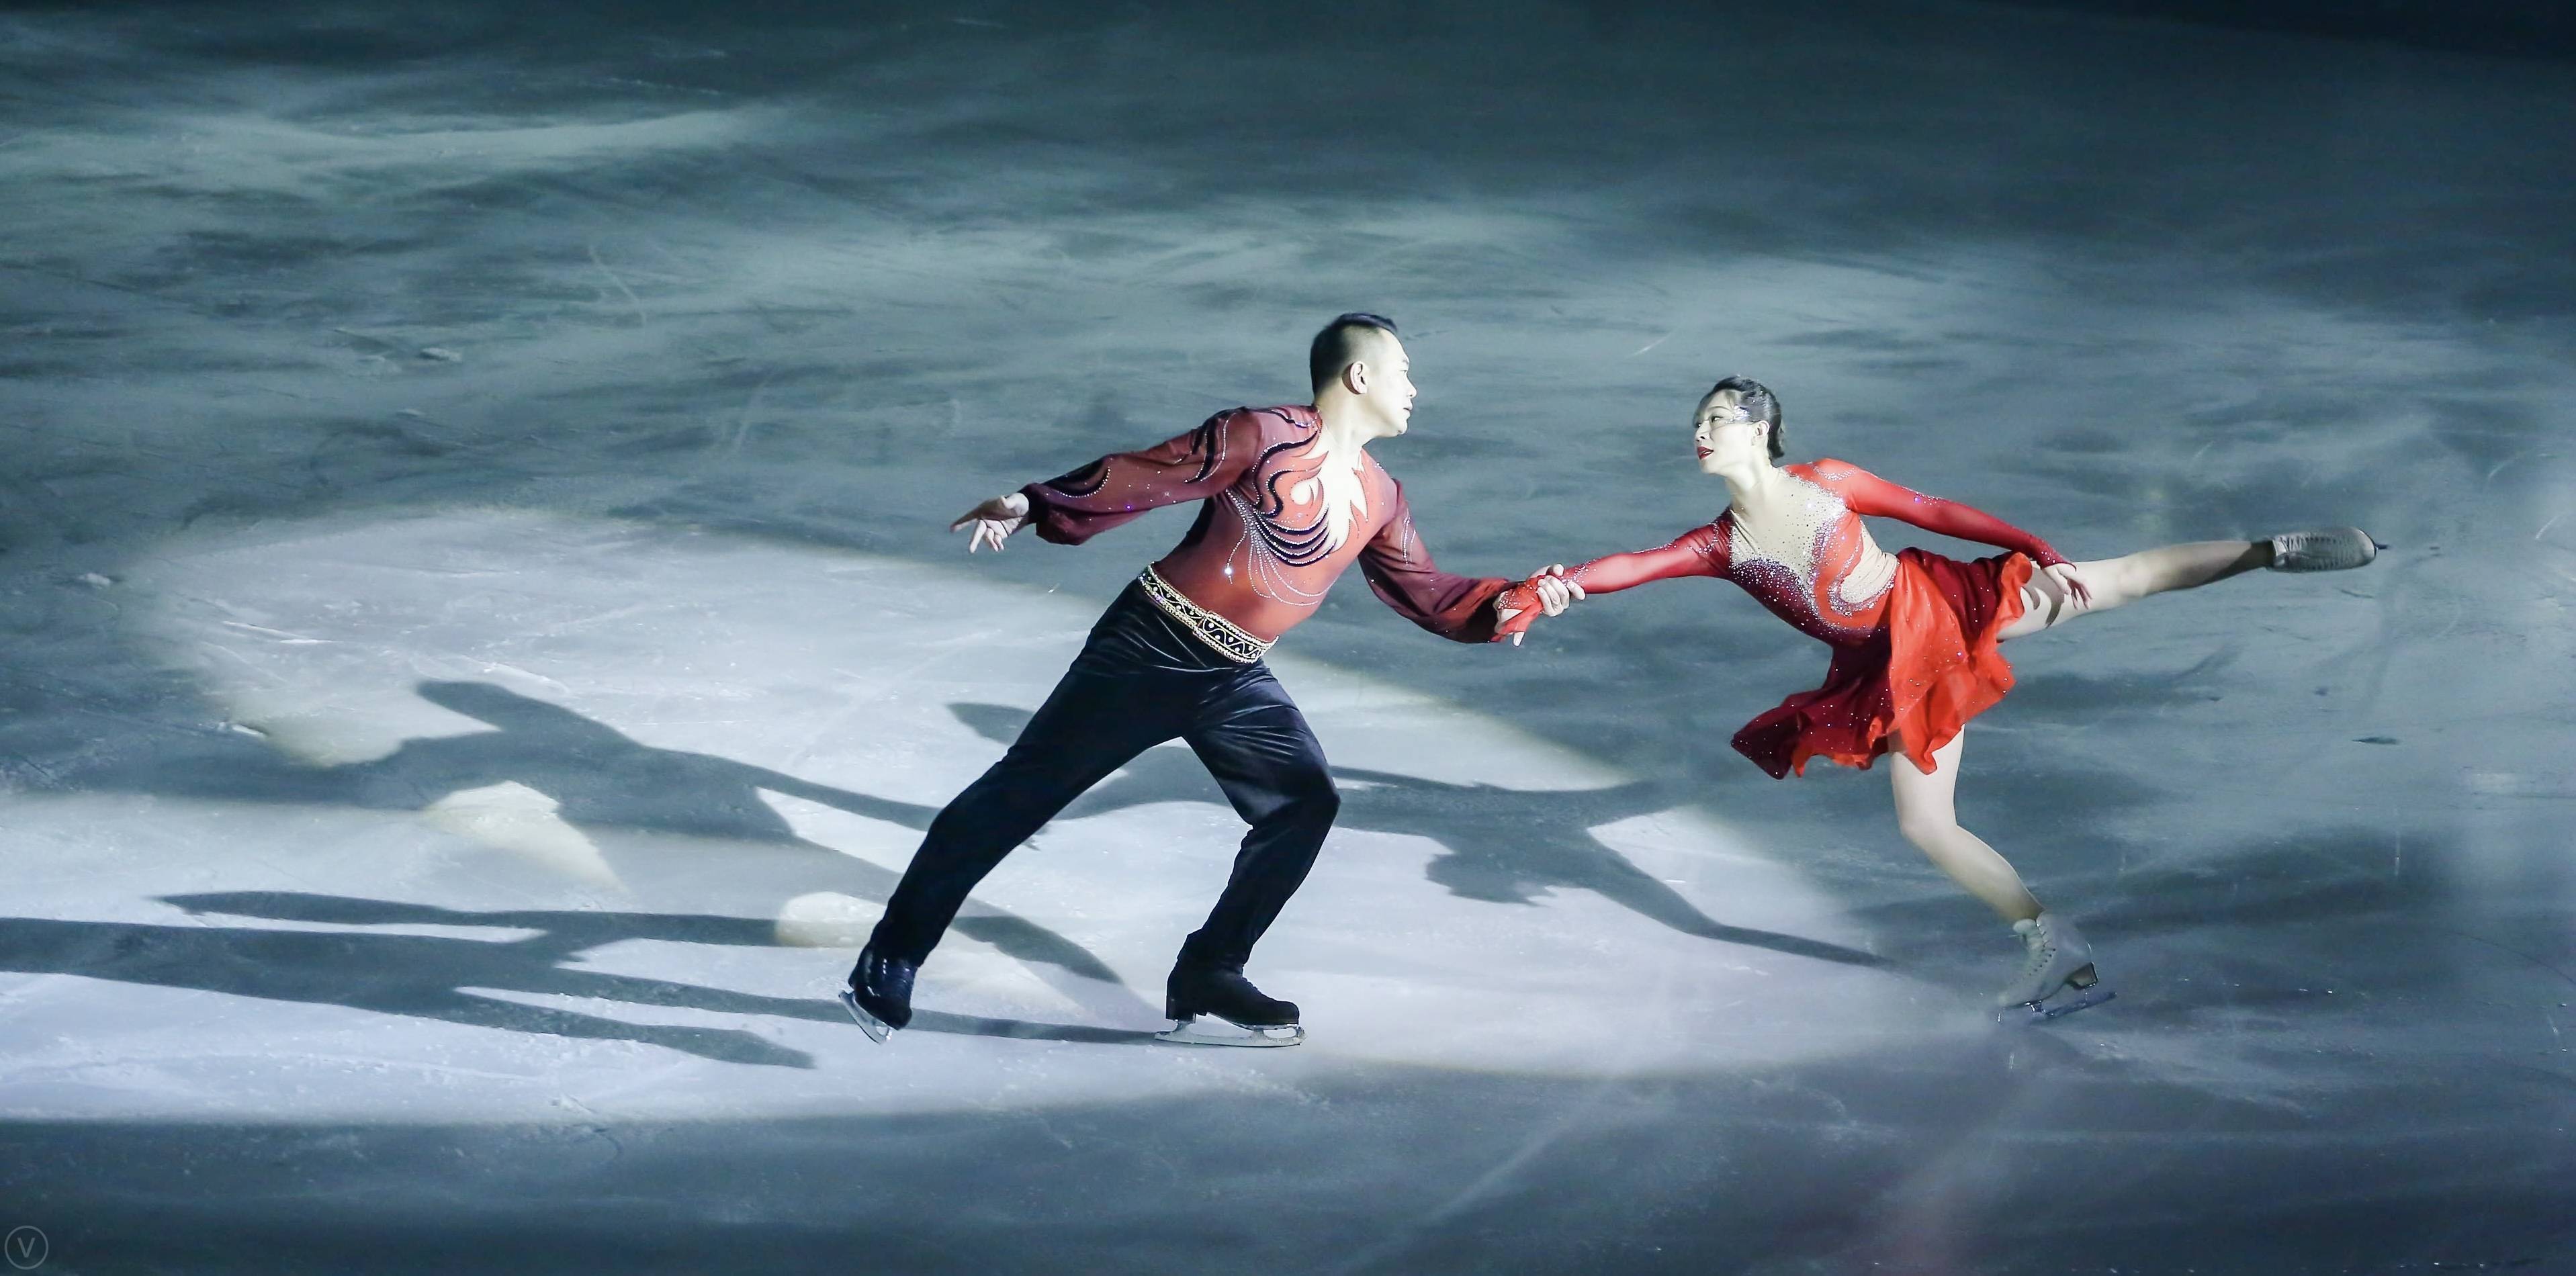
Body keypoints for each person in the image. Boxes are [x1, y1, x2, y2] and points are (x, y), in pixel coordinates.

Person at [1496, 376, 2377, 1019]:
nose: (1700, 433)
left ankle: (2272, 549)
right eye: (1696, 423)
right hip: (1886, 666)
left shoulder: (1827, 482)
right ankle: (2051, 945)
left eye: (1716, 421)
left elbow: (1934, 510)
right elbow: (1630, 567)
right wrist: (1553, 586)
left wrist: (2037, 547)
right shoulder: (1718, 543)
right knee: (1925, 826)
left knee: (2117, 581)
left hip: (1933, 610)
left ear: (1759, 429)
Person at [841, 314, 1578, 1046]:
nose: (1415, 388)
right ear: (1359, 376)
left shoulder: (1382, 494)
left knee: (1304, 802)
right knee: (1014, 799)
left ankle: (1210, 969)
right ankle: (892, 954)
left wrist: (1512, 601)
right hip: (1148, 647)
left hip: (1233, 674)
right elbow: (1149, 473)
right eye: (1403, 372)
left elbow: (1428, 593)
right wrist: (1036, 502)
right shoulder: (1261, 435)